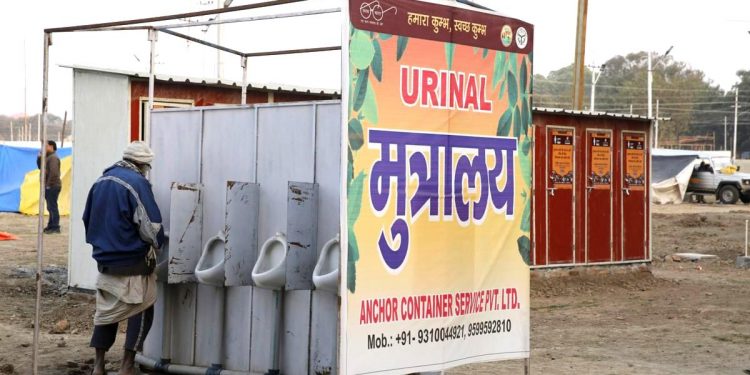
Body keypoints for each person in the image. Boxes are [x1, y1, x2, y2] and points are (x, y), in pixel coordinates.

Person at [83, 141, 165, 375]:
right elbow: (150, 225)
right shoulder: (137, 183)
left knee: (107, 313)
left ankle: (98, 365)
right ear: (143, 164)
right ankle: (126, 365)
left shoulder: (101, 181)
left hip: (105, 262)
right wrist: (158, 243)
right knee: (143, 306)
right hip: (133, 261)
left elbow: (87, 219)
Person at [37, 140, 61, 234]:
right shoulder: (48, 157)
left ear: (51, 147)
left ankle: (55, 227)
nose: (43, 148)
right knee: (50, 207)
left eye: (45, 146)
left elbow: (54, 173)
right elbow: (40, 167)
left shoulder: (53, 158)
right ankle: (51, 225)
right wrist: (39, 157)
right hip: (50, 186)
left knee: (52, 206)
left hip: (52, 186)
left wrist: (48, 185)